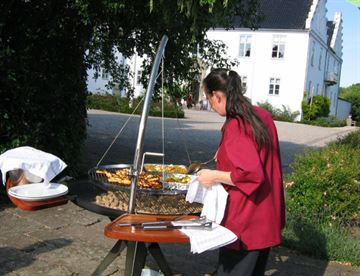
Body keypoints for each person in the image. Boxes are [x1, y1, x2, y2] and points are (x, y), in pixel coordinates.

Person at [197, 68, 285, 276]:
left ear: (217, 95)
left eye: (210, 100)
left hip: (245, 223)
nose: (211, 105)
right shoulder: (261, 115)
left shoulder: (237, 124)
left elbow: (251, 175)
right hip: (266, 217)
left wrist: (214, 175)